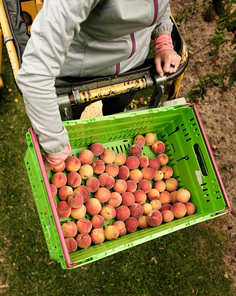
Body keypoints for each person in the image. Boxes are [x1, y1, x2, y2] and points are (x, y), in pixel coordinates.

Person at [17, 0, 181, 171]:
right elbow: (35, 74)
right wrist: (55, 147)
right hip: (79, 77)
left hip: (131, 71)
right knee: (70, 123)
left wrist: (163, 38)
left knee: (116, 113)